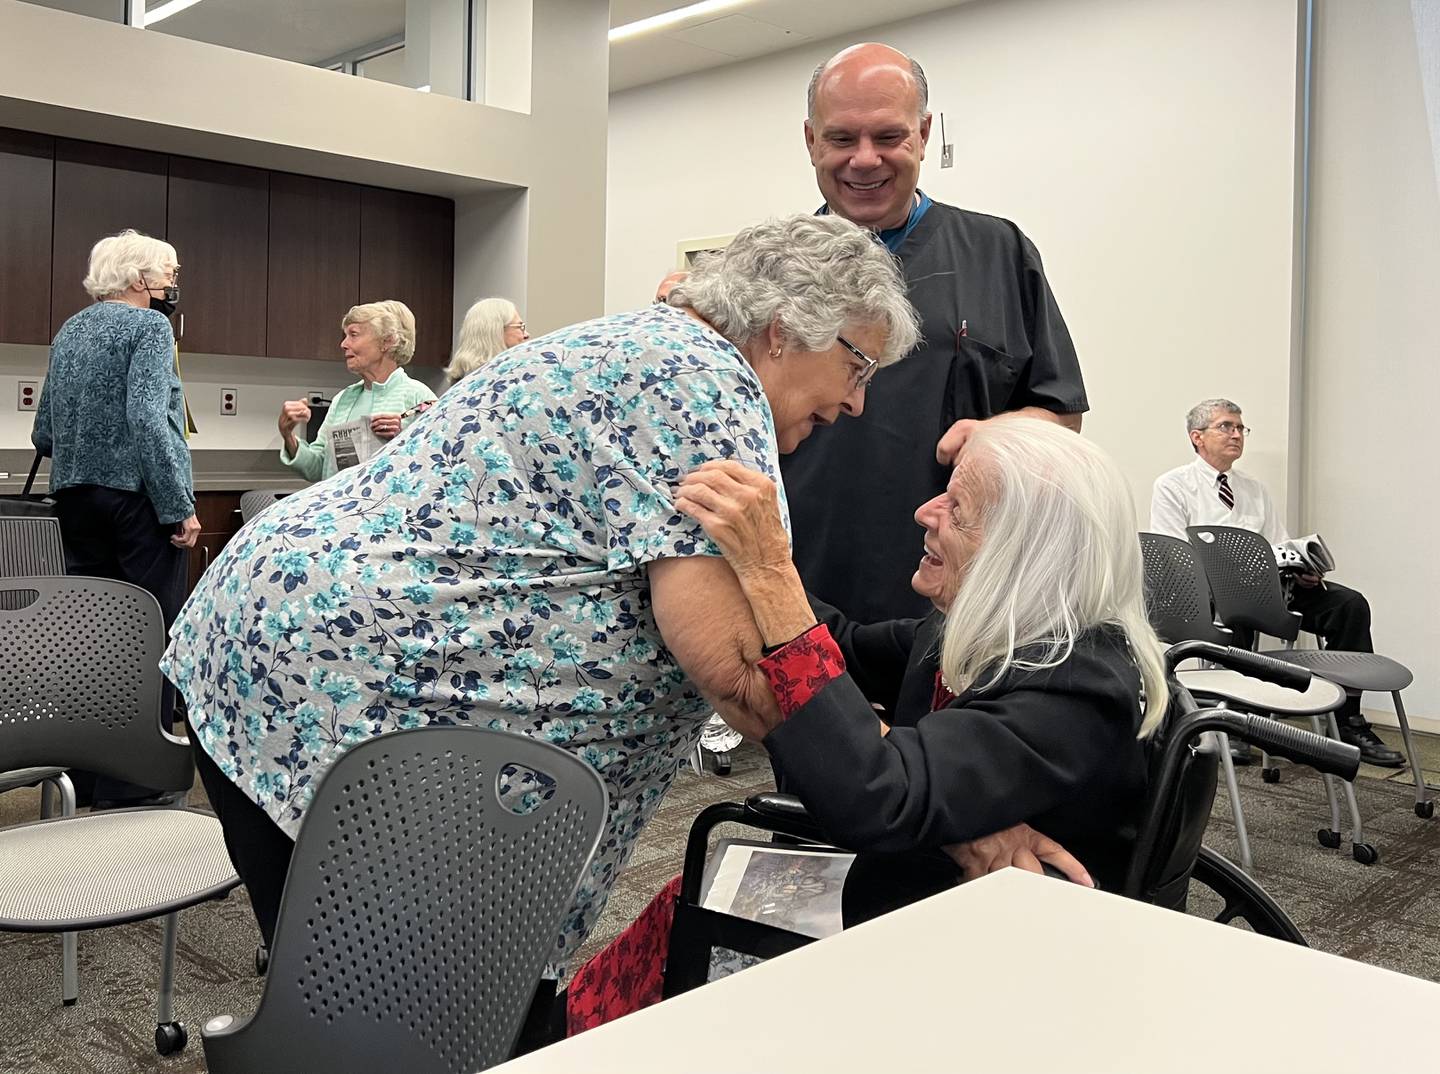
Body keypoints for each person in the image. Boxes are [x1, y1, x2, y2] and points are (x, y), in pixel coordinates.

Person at [161, 213, 918, 992]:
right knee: (397, 1015)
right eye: (858, 366)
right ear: (786, 330)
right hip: (347, 701)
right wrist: (901, 779)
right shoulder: (711, 380)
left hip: (273, 655)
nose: (858, 402)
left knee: (346, 995)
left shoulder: (636, 341)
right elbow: (741, 673)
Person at [677, 417, 1165, 922]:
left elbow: (878, 795)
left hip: (998, 955)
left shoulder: (1076, 685)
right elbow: (842, 649)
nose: (925, 513)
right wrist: (746, 561)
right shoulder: (968, 631)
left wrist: (769, 572)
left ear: (1024, 552)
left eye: (959, 508)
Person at [781, 43, 1089, 623]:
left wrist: (997, 431)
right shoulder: (766, 274)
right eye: (842, 139)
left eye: (888, 137)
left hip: (959, 599)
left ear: (923, 134)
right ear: (811, 141)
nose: (865, 160)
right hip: (799, 599)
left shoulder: (999, 253)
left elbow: (1062, 414)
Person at [30, 228, 199, 807]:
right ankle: (138, 778)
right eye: (169, 273)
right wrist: (179, 506)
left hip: (75, 498)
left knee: (93, 634)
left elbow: (44, 431)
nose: (173, 284)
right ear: (138, 279)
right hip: (136, 499)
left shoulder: (71, 328)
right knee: (150, 630)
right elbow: (151, 420)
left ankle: (89, 770)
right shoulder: (150, 327)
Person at [1150, 398, 1403, 767]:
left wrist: (1300, 565)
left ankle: (1348, 720)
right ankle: (1235, 722)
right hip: (1211, 593)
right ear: (1197, 437)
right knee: (1237, 610)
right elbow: (1175, 554)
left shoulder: (1254, 489)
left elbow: (1276, 545)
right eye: (1226, 427)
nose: (1236, 434)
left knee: (1349, 605)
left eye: (1240, 428)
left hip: (1269, 586)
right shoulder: (1173, 486)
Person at [276, 300, 437, 482]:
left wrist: (402, 437)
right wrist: (288, 435)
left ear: (387, 341)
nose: (343, 344)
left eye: (353, 334)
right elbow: (320, 468)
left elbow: (437, 466)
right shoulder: (343, 399)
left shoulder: (420, 398)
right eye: (345, 336)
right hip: (341, 507)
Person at [444, 296, 529, 387]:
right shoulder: (489, 382)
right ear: (496, 331)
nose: (527, 334)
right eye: (520, 327)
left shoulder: (467, 376)